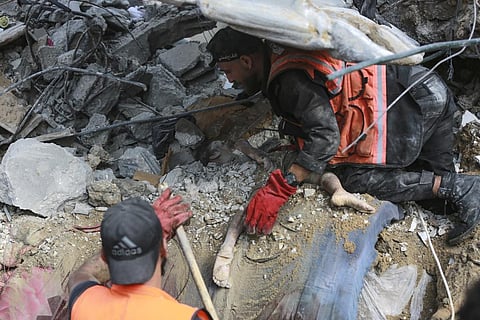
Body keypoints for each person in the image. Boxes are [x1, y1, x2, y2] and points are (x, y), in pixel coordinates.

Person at [206, 26, 480, 245]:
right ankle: (456, 189)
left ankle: (465, 187)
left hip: (415, 106)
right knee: (441, 205)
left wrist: (282, 187)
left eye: (229, 72)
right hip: (426, 88)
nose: (230, 81)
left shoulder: (288, 81)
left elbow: (326, 138)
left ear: (246, 60)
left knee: (353, 177)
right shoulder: (283, 53)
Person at [67, 189, 213, 319]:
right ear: (163, 248)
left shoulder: (83, 303)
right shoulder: (186, 317)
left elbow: (83, 274)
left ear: (104, 256)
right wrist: (155, 232)